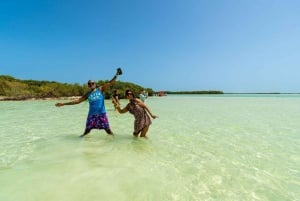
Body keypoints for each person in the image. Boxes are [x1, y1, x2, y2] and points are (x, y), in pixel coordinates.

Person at [55, 68, 122, 137]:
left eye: (92, 83)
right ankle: (79, 143)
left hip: (101, 114)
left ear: (95, 84)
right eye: (89, 84)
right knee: (86, 132)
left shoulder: (100, 89)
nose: (91, 85)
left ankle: (115, 142)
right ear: (88, 86)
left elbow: (110, 83)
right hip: (91, 115)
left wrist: (116, 74)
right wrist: (63, 104)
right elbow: (78, 101)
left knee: (108, 131)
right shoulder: (88, 94)